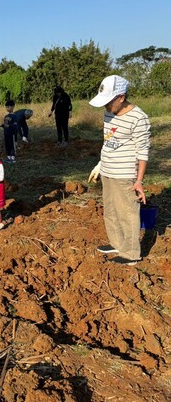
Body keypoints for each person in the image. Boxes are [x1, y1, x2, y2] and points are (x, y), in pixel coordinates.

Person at [88, 75, 151, 266]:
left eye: (109, 101)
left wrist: (138, 180)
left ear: (121, 97)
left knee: (127, 213)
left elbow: (143, 152)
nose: (106, 106)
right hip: (107, 170)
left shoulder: (139, 118)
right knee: (111, 210)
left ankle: (131, 253)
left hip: (125, 174)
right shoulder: (108, 113)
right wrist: (100, 164)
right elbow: (109, 141)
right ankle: (116, 243)